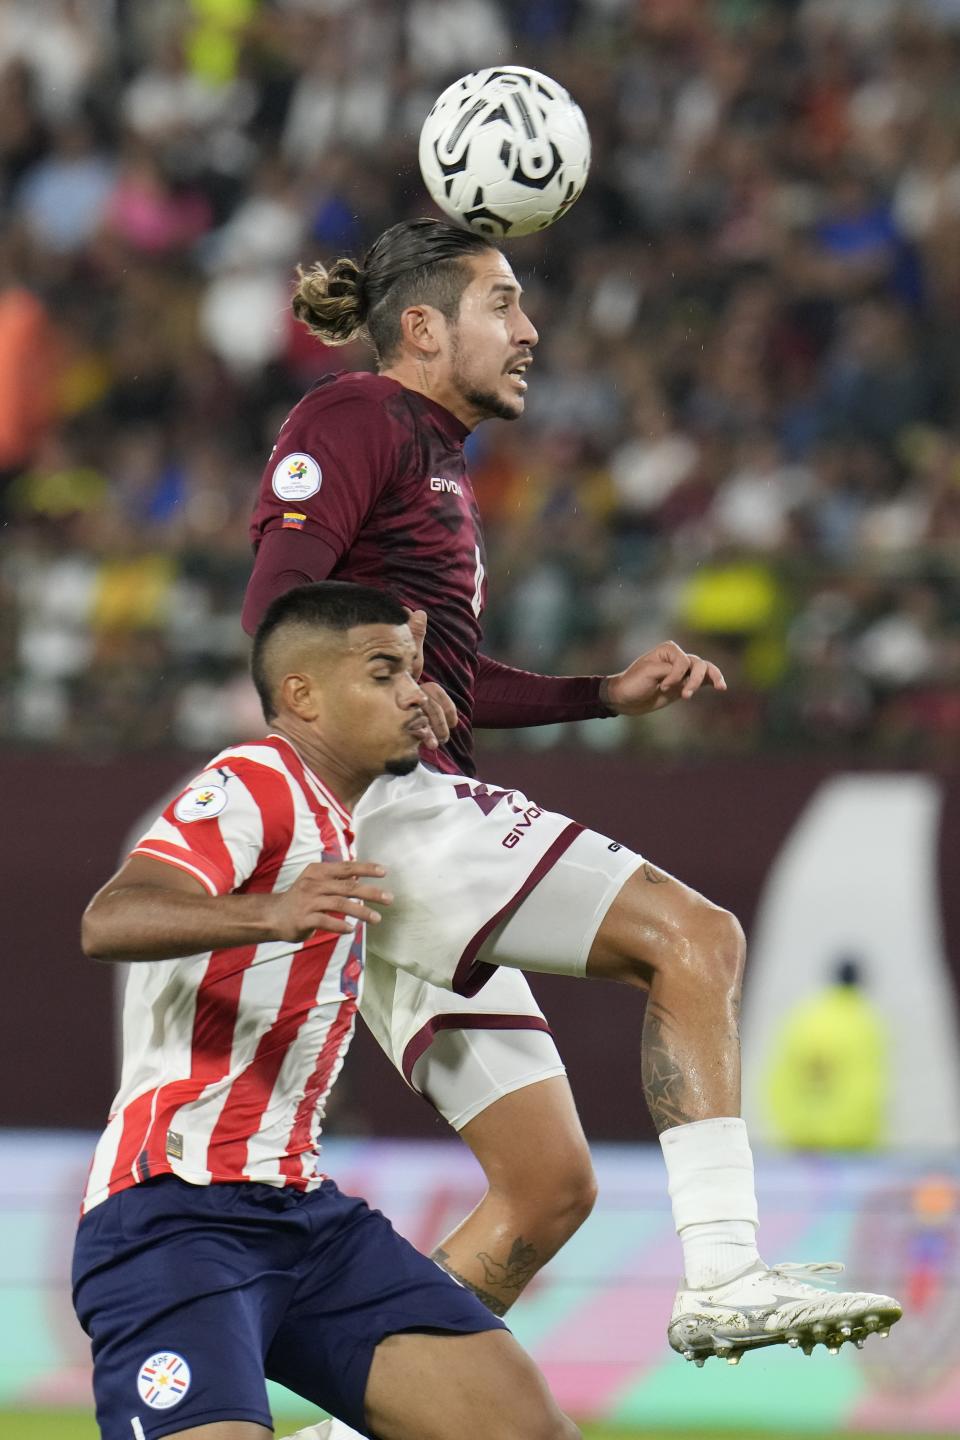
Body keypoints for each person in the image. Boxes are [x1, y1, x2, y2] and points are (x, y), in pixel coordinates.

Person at [242, 219, 901, 1390]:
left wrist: (603, 693)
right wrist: (387, 683)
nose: (532, 329)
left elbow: (453, 682)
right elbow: (281, 608)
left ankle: (351, 1424)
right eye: (504, 302)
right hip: (392, 811)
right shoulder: (353, 419)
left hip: (384, 843)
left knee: (548, 1188)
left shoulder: (434, 458)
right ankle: (727, 1273)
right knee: (698, 939)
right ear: (424, 327)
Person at [73, 580, 582, 1440]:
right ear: (302, 695)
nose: (413, 695)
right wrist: (264, 913)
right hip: (173, 1211)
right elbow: (110, 918)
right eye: (384, 673)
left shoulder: (351, 826)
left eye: (415, 674)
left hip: (305, 1219)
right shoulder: (253, 781)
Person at [764, 956, 888, 1151]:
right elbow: (872, 1084)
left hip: (802, 1138)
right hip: (854, 1138)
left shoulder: (805, 1017)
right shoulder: (867, 1021)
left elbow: (783, 1075)